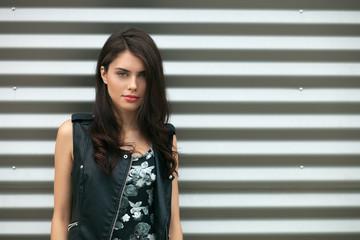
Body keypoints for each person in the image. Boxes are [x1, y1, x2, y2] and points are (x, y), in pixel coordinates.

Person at [51, 28, 183, 240]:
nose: (133, 85)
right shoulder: (73, 134)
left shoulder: (164, 138)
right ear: (104, 74)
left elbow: (174, 223)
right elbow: (61, 216)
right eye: (122, 73)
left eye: (143, 75)